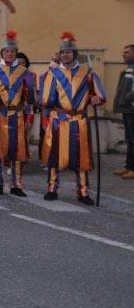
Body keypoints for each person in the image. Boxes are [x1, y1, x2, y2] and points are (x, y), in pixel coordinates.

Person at [40, 32, 106, 205]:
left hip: (79, 121)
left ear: (74, 54)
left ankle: (83, 192)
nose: (65, 55)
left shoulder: (88, 73)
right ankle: (52, 189)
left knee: (81, 158)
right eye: (63, 52)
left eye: (68, 52)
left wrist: (96, 98)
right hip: (58, 120)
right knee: (55, 156)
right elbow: (46, 99)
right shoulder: (53, 74)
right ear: (59, 55)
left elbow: (99, 95)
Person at [0, 31, 31, 196]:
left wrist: (29, 114)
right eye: (7, 51)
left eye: (12, 51)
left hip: (17, 115)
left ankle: (16, 185)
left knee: (16, 150)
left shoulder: (23, 71)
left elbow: (28, 94)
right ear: (2, 53)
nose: (10, 54)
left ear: (16, 53)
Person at [114, 44, 134, 179]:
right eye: (123, 52)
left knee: (133, 139)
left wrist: (125, 100)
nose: (123, 54)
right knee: (129, 140)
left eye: (127, 52)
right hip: (127, 109)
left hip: (131, 109)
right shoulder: (129, 69)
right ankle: (128, 167)